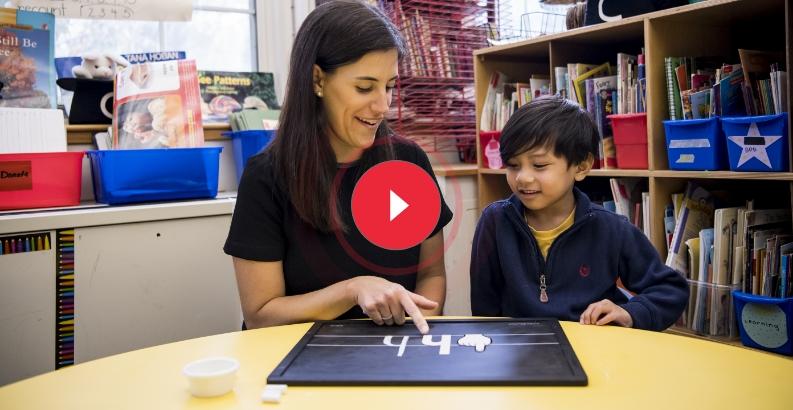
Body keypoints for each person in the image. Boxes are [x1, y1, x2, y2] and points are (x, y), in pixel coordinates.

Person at [224, 1, 452, 335]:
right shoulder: (267, 177)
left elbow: (431, 276)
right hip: (300, 359)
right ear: (317, 80)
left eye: (389, 86)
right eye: (364, 87)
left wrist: (419, 332)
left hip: (396, 356)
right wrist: (352, 290)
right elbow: (261, 314)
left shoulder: (409, 161)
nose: (382, 106)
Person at [469, 96, 688, 331]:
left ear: (582, 167)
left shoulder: (610, 228)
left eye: (539, 165)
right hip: (521, 353)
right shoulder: (494, 222)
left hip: (594, 353)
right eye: (512, 165)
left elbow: (670, 289)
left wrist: (629, 313)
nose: (523, 177)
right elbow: (485, 311)